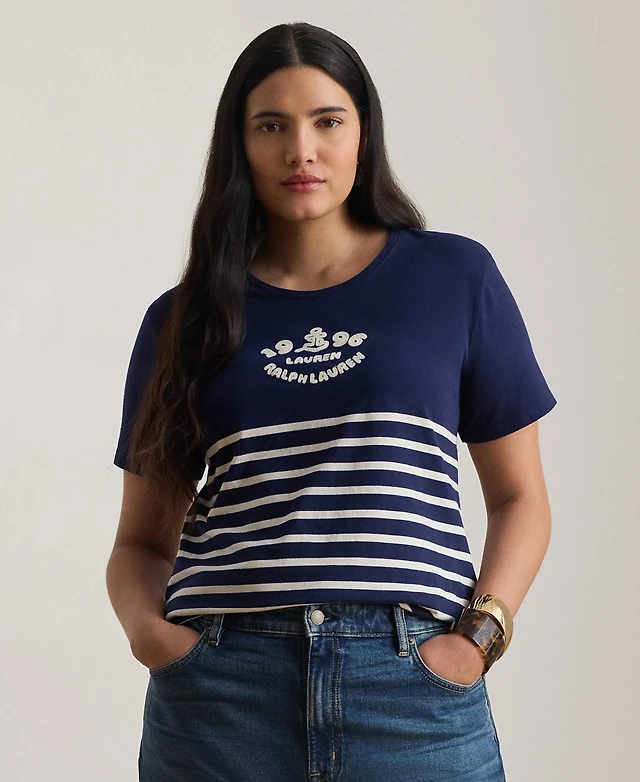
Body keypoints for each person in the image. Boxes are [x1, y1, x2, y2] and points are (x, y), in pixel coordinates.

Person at [106, 21, 557, 782]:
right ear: (239, 145)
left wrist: (478, 639)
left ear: (363, 134)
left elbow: (521, 499)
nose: (301, 151)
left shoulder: (454, 280)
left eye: (327, 121)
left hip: (412, 689)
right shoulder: (182, 319)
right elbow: (139, 545)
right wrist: (155, 639)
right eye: (271, 126)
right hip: (222, 698)